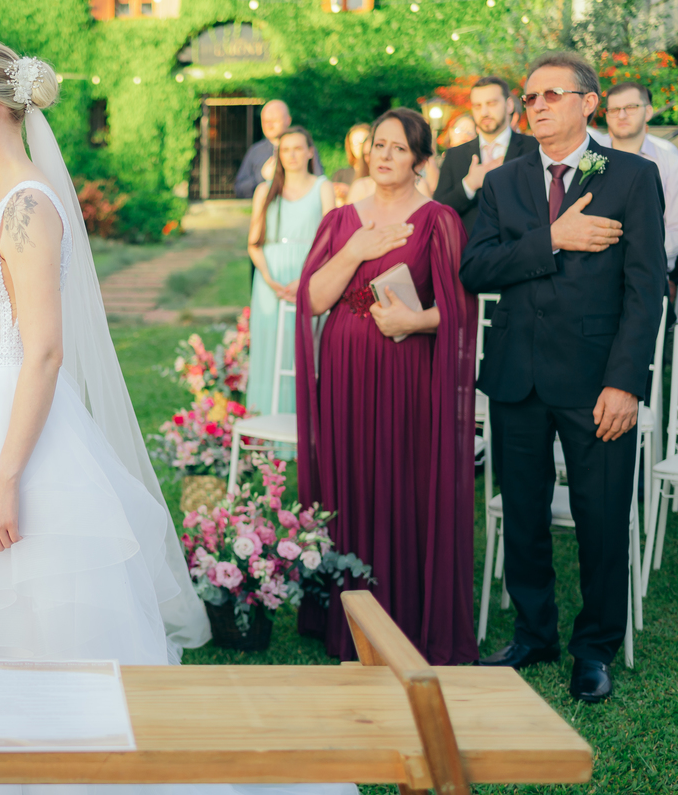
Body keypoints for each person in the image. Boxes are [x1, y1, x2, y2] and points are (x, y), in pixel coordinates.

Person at [0, 38, 355, 795]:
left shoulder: (27, 210)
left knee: (34, 615)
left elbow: (43, 353)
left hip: (14, 435)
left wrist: (6, 479)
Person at [460, 52, 666, 703]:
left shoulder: (632, 177)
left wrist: (626, 383)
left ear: (588, 102)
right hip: (518, 377)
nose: (537, 106)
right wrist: (554, 237)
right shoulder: (505, 181)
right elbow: (476, 268)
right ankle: (533, 631)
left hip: (597, 383)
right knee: (522, 515)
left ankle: (594, 647)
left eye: (552, 94)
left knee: (602, 516)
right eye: (531, 97)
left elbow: (647, 289)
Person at [296, 108, 478, 667]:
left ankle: (405, 615)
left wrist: (412, 322)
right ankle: (347, 619)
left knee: (402, 479)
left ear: (421, 161)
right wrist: (356, 250)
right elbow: (313, 299)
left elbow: (460, 311)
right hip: (346, 369)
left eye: (399, 148)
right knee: (351, 478)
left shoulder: (438, 220)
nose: (384, 155)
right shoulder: (340, 221)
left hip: (406, 371)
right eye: (379, 145)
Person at [246, 127, 334, 418]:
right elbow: (254, 244)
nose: (292, 155)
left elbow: (330, 240)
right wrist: (270, 280)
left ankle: (302, 426)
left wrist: (306, 279)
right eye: (285, 150)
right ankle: (265, 428)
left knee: (302, 350)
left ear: (310, 151)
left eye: (298, 148)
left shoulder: (323, 186)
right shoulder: (265, 190)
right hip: (270, 279)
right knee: (269, 349)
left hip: (309, 275)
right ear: (278, 155)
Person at [589, 81, 678, 277]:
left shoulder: (669, 158)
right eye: (614, 109)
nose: (622, 115)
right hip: (591, 269)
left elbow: (675, 228)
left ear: (648, 112)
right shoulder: (591, 153)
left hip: (649, 269)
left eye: (631, 107)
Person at [434, 76, 539, 236]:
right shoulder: (455, 155)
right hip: (470, 255)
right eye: (477, 106)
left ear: (509, 105)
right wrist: (469, 185)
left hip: (522, 251)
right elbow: (437, 212)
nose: (484, 112)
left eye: (491, 103)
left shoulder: (534, 148)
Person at [234, 100, 324, 198]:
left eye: (274, 121)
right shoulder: (255, 151)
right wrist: (262, 177)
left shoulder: (303, 147)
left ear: (288, 120)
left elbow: (318, 182)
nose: (269, 126)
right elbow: (240, 190)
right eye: (265, 121)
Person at [330, 123, 370, 203]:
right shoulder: (340, 174)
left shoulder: (377, 175)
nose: (359, 146)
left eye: (363, 142)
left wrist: (350, 192)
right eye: (355, 143)